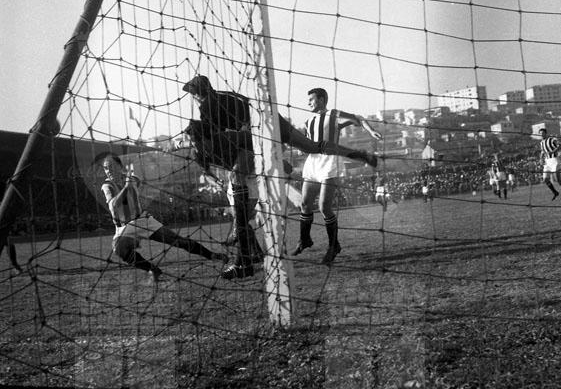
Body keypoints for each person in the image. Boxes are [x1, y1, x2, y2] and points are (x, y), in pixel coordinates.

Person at [182, 75, 379, 280]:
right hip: (269, 117)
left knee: (237, 178)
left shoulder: (206, 108)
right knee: (313, 147)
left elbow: (215, 136)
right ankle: (359, 155)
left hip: (258, 131)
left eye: (192, 93)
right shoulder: (223, 95)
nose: (192, 98)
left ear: (196, 94)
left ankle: (244, 259)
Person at [96, 152, 226, 287]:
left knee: (177, 241)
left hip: (143, 220)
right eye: (106, 168)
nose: (109, 170)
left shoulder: (133, 179)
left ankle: (212, 255)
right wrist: (127, 187)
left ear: (120, 166)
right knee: (119, 249)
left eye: (111, 166)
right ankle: (153, 270)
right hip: (124, 227)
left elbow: (138, 183)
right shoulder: (107, 186)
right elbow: (113, 205)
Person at [292, 87, 383, 265]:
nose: (308, 103)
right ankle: (305, 240)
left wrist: (371, 131)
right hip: (312, 163)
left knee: (324, 207)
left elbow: (358, 118)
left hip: (329, 162)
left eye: (311, 99)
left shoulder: (333, 115)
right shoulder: (308, 121)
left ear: (321, 99)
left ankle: (334, 246)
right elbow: (309, 144)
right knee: (305, 204)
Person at [539, 128, 561, 202]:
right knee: (545, 179)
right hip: (547, 162)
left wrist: (553, 151)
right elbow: (542, 151)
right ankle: (555, 192)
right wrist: (540, 159)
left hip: (554, 160)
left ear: (545, 133)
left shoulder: (552, 139)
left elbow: (560, 145)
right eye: (540, 134)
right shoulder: (541, 143)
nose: (541, 135)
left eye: (542, 133)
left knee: (557, 178)